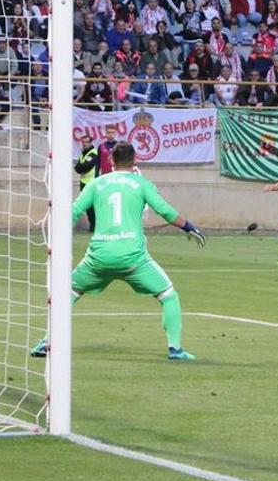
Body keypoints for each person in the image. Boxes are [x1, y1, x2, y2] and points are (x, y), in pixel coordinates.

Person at [31, 142, 206, 361]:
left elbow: (73, 212)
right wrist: (189, 227)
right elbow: (164, 211)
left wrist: (58, 240)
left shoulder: (96, 184)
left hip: (98, 259)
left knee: (67, 294)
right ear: (135, 161)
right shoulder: (142, 184)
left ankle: (47, 342)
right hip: (133, 260)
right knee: (168, 295)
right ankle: (175, 349)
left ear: (111, 161)